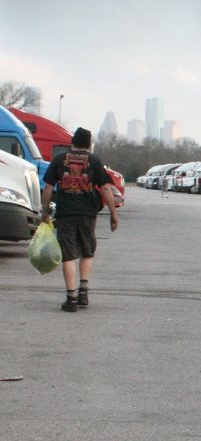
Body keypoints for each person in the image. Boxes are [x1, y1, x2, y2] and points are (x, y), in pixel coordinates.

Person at [40, 127, 119, 312]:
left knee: (68, 255)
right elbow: (106, 189)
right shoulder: (94, 160)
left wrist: (45, 211)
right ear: (89, 144)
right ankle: (83, 292)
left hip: (65, 214)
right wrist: (113, 214)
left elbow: (48, 187)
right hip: (88, 214)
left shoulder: (59, 159)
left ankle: (71, 299)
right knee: (87, 251)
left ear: (72, 142)